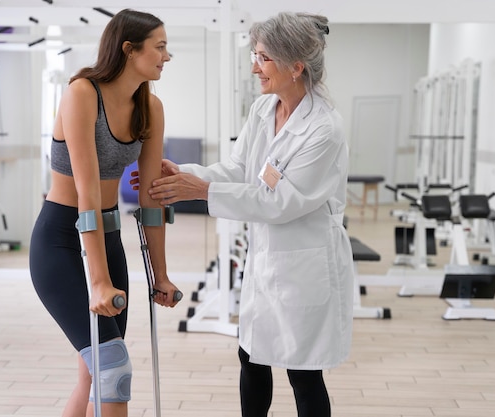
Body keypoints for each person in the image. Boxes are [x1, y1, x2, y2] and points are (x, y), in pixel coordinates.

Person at [138, 11, 353, 417]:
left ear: (296, 66)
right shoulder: (263, 109)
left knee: (303, 374)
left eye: (263, 58)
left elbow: (280, 201)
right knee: (251, 357)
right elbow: (239, 170)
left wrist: (199, 191)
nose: (254, 67)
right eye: (255, 55)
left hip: (304, 263)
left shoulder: (324, 128)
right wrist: (182, 175)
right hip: (266, 260)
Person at [29, 9, 181, 417]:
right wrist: (98, 281)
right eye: (160, 47)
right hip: (61, 240)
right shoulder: (82, 93)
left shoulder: (151, 108)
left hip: (108, 239)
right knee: (113, 369)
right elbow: (87, 195)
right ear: (129, 50)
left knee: (95, 373)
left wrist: (160, 274)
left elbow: (150, 199)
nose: (167, 56)